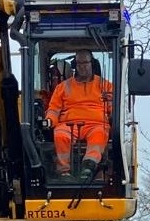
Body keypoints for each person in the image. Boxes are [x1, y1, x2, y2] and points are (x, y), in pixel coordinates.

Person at [46, 50, 114, 181]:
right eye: (79, 63)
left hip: (96, 124)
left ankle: (89, 166)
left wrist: (114, 118)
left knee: (99, 134)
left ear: (92, 64)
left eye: (85, 63)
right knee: (60, 134)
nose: (82, 66)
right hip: (69, 124)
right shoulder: (62, 87)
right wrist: (49, 120)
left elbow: (112, 108)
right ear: (75, 65)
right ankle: (64, 172)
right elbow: (54, 109)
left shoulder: (106, 86)